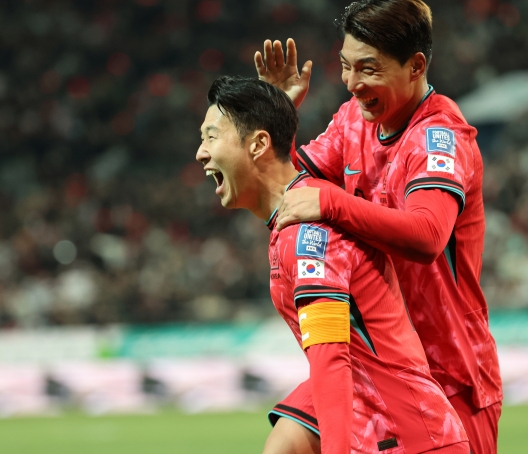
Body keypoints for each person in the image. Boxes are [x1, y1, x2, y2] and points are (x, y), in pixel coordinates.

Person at [253, 1, 503, 453]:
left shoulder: (438, 138)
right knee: (284, 446)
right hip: (374, 361)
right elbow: (290, 188)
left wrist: (332, 201)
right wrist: (279, 119)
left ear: (416, 66)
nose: (351, 83)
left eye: (368, 69)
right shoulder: (353, 118)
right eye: (346, 67)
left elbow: (428, 236)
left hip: (446, 371)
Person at [196, 75, 469, 453]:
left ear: (258, 144)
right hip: (391, 430)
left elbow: (331, 361)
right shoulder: (293, 215)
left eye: (211, 137)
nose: (201, 152)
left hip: (405, 439)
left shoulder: (308, 230)